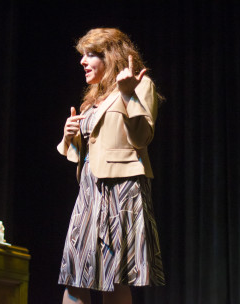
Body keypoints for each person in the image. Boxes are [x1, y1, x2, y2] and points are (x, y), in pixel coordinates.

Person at [57, 28, 165, 304]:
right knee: (75, 276)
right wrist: (69, 137)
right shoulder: (91, 100)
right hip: (89, 191)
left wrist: (129, 95)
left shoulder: (141, 86)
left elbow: (141, 138)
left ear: (112, 56)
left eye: (91, 55)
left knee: (114, 280)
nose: (83, 61)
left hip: (122, 189)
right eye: (83, 55)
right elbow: (89, 152)